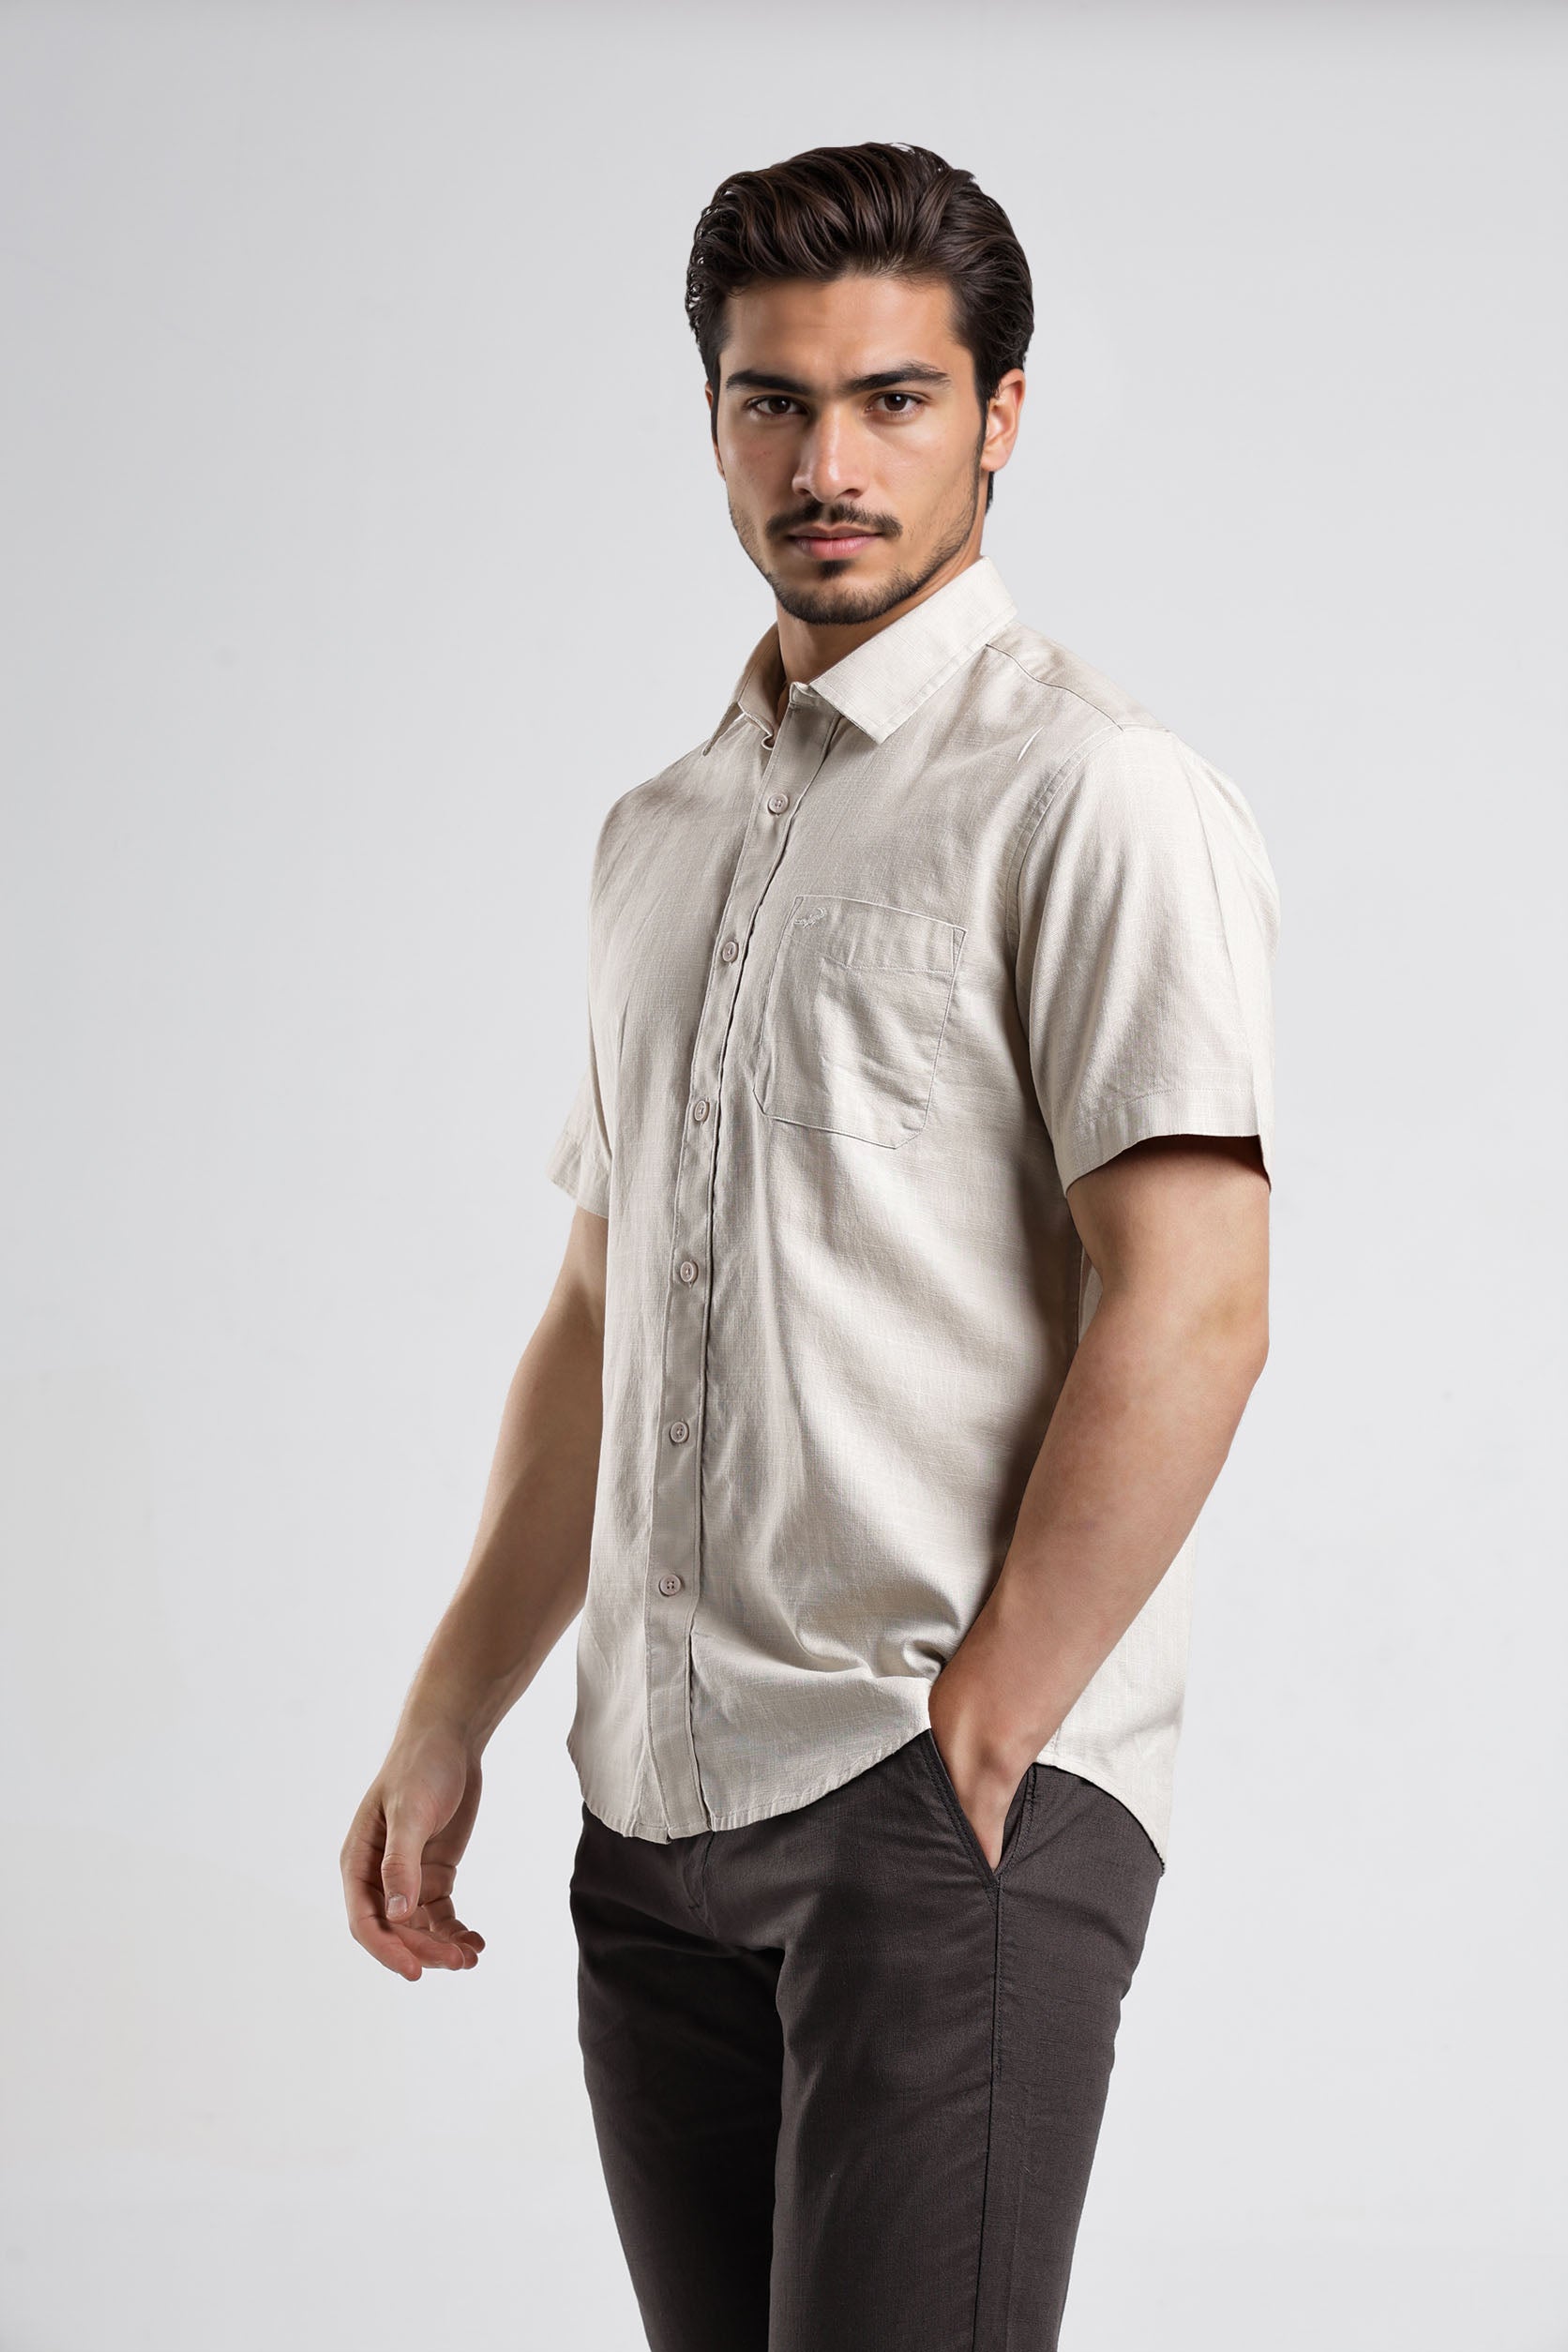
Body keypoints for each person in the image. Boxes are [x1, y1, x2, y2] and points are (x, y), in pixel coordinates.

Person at [341, 139, 1279, 2352]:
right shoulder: (653, 837)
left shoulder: (1092, 794)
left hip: (922, 1792)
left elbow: (1197, 1299)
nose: (826, 460)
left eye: (891, 400)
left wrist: (985, 1743)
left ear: (1000, 416)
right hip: (647, 1816)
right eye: (774, 402)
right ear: (713, 423)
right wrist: (448, 1709)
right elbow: (598, 1312)